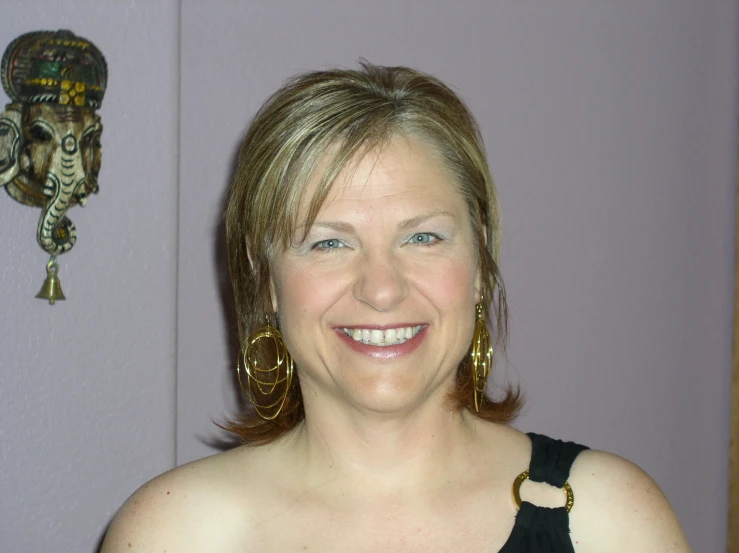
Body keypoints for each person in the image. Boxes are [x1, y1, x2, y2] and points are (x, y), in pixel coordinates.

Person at [101, 62, 691, 552]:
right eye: (329, 242)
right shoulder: (171, 534)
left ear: (481, 263)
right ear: (268, 285)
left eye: (422, 238)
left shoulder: (611, 522)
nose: (381, 290)